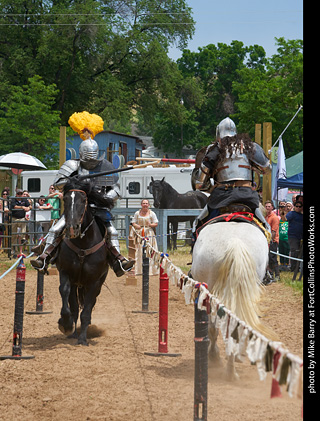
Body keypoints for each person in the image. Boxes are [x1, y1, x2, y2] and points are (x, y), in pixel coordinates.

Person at [31, 111, 134, 276]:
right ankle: (44, 257)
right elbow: (58, 184)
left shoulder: (106, 166)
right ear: (81, 155)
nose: (91, 162)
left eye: (93, 159)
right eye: (88, 159)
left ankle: (119, 261)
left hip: (98, 208)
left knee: (112, 231)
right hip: (76, 207)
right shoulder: (72, 165)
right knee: (57, 228)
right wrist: (74, 181)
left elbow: (117, 189)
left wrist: (104, 198)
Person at [192, 117, 271, 239]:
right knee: (266, 229)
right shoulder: (250, 147)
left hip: (221, 198)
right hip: (247, 196)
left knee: (197, 225)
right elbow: (267, 169)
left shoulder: (213, 150)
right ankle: (270, 256)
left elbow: (199, 184)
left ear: (218, 133)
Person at [130, 199, 159, 275]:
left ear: (149, 205)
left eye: (146, 203)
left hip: (149, 232)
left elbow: (156, 223)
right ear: (141, 205)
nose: (145, 205)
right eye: (143, 203)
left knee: (149, 250)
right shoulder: (137, 213)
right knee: (139, 250)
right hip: (140, 233)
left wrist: (150, 225)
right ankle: (139, 270)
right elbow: (133, 222)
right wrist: (137, 226)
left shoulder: (152, 213)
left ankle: (151, 270)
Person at [10, 189, 32, 257]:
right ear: (16, 194)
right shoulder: (13, 199)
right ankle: (13, 251)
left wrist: (28, 208)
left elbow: (30, 205)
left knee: (23, 230)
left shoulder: (24, 199)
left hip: (22, 218)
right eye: (18, 194)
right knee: (13, 235)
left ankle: (23, 240)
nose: (20, 195)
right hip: (14, 218)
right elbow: (14, 206)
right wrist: (22, 207)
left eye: (21, 193)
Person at [264, 200, 280, 282]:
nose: (267, 208)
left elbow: (274, 231)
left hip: (273, 240)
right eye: (266, 206)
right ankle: (270, 275)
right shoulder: (265, 217)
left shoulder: (274, 218)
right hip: (266, 240)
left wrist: (269, 241)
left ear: (272, 207)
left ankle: (277, 275)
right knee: (268, 258)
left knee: (273, 258)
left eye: (269, 206)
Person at [286, 201, 303, 272]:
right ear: (294, 207)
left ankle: (299, 267)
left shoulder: (302, 215)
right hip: (293, 236)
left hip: (301, 236)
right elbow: (285, 219)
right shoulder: (291, 213)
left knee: (300, 252)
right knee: (294, 251)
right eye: (297, 206)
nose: (298, 208)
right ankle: (293, 268)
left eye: (300, 206)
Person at [278, 203, 290, 269]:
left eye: (284, 214)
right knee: (281, 251)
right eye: (282, 214)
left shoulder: (288, 221)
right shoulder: (279, 221)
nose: (283, 216)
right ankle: (282, 263)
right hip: (281, 238)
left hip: (287, 238)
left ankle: (287, 264)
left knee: (286, 251)